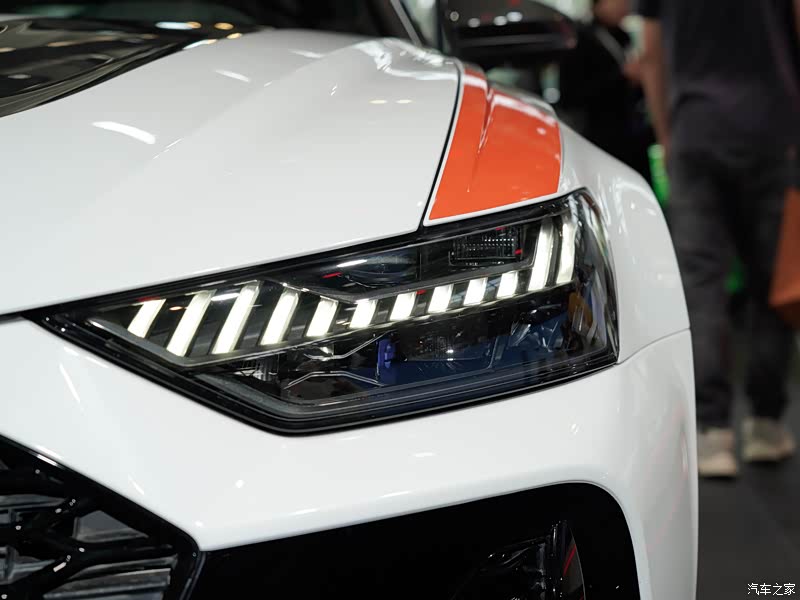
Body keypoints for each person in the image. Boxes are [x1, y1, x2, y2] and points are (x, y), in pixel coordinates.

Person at [638, 0, 800, 477]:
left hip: (696, 132)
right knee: (772, 281)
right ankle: (766, 422)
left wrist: (667, 137)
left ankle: (713, 432)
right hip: (772, 131)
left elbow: (651, 55)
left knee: (702, 284)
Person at [559, 0, 653, 181]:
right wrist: (622, 77)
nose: (625, 6)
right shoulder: (580, 39)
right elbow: (572, 95)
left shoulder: (623, 36)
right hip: (601, 139)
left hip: (632, 135)